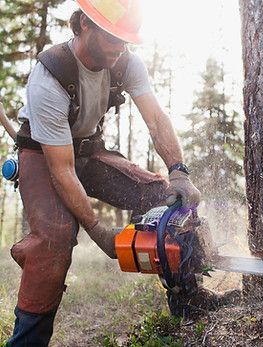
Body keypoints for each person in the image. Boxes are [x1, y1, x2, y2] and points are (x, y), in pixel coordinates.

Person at [6, 0, 201, 345]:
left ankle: (190, 302)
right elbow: (62, 170)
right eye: (113, 37)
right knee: (54, 240)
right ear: (83, 25)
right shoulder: (49, 76)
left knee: (165, 198)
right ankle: (26, 341)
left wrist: (178, 171)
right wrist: (97, 230)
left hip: (88, 148)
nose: (119, 47)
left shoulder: (125, 62)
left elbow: (155, 120)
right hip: (42, 154)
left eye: (125, 40)